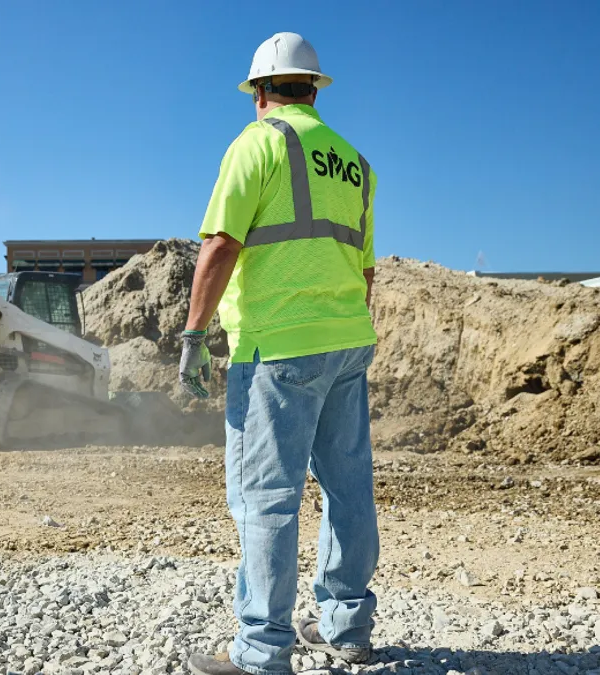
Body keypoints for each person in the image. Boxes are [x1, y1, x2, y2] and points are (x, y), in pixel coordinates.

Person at [179, 31, 380, 675]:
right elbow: (365, 269)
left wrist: (192, 334)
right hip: (347, 343)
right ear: (313, 89)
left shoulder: (257, 144)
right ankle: (347, 627)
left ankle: (261, 650)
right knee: (348, 488)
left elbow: (219, 247)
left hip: (278, 347)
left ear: (260, 92)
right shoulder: (354, 162)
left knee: (267, 495)